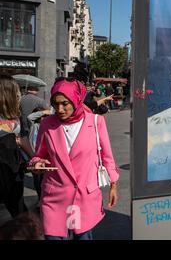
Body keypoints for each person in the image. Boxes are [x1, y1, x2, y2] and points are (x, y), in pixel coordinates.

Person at [28, 78, 120, 239]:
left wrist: (113, 184)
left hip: (84, 198)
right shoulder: (47, 124)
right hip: (55, 198)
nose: (60, 109)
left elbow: (107, 157)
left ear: (76, 100)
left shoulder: (96, 122)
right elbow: (38, 155)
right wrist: (37, 164)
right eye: (56, 104)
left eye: (65, 103)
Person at [0, 75, 34, 218]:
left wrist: (35, 157)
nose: (20, 94)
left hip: (14, 168)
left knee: (18, 208)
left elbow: (23, 139)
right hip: (1, 167)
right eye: (17, 90)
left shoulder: (16, 115)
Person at [27, 107, 52, 200]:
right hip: (33, 157)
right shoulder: (34, 125)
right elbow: (29, 117)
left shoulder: (48, 126)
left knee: (44, 180)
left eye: (46, 116)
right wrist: (43, 112)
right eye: (42, 116)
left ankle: (44, 197)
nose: (44, 118)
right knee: (37, 180)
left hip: (43, 158)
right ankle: (39, 198)